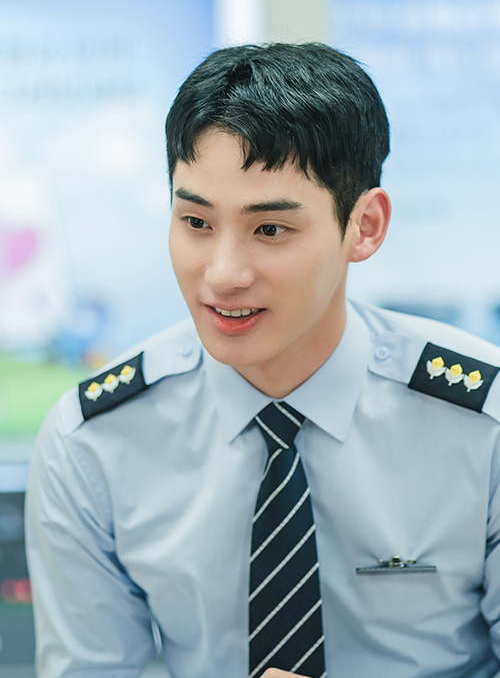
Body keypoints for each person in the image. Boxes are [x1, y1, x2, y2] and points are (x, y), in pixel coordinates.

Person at [26, 42, 500, 678]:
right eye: (196, 222)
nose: (223, 274)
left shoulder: (483, 424)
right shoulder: (92, 443)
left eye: (270, 230)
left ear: (364, 226)